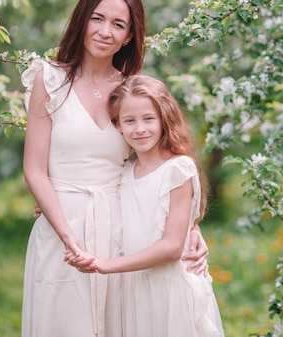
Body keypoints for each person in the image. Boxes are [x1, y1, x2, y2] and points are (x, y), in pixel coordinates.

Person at [21, 0, 208, 337]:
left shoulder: (130, 90)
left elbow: (159, 165)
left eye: (118, 25)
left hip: (124, 228)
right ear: (82, 21)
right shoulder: (49, 79)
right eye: (98, 19)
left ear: (129, 36)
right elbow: (34, 169)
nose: (105, 32)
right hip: (61, 225)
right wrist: (67, 235)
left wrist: (190, 227)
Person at [65, 75, 224, 337]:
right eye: (130, 120)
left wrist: (105, 265)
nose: (139, 129)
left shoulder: (177, 170)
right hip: (135, 287)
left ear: (165, 119)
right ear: (118, 125)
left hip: (170, 290)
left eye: (149, 119)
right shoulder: (125, 172)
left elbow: (172, 247)